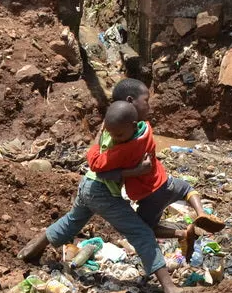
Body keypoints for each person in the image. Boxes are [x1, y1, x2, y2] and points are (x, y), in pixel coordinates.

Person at [18, 101, 183, 293]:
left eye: (119, 135)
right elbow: (101, 169)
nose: (116, 138)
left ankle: (32, 250)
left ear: (133, 124)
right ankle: (169, 287)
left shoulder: (112, 131)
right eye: (112, 133)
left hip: (87, 184)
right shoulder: (128, 140)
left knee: (73, 220)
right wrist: (137, 171)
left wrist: (100, 135)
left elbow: (98, 156)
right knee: (141, 232)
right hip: (100, 191)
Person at [90, 78, 224, 257]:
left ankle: (182, 233)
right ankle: (200, 214)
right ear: (131, 102)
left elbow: (96, 164)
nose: (149, 107)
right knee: (187, 188)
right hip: (164, 182)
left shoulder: (123, 148)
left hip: (147, 195)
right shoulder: (145, 128)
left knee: (144, 228)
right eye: (146, 101)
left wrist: (98, 140)